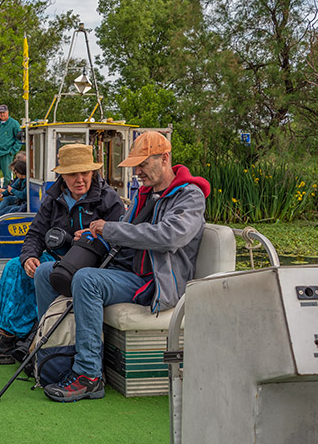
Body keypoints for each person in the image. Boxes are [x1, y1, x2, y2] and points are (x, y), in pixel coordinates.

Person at [33, 131, 210, 402]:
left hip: (155, 281)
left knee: (86, 280)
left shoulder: (190, 196)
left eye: (142, 164)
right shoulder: (145, 193)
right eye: (135, 165)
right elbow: (124, 232)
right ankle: (55, 358)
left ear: (164, 159)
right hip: (126, 270)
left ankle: (89, 376)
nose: (137, 172)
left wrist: (111, 230)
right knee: (47, 273)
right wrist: (94, 235)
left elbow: (169, 236)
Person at [0, 144, 125, 364]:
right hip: (56, 257)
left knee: (44, 271)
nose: (79, 179)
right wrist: (29, 257)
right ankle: (8, 337)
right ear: (63, 176)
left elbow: (120, 241)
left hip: (91, 264)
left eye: (85, 173)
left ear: (93, 173)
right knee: (15, 267)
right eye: (72, 174)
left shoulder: (109, 199)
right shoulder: (53, 197)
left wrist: (94, 237)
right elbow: (35, 233)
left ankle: (30, 339)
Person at [0, 104, 22, 189]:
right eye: (0, 113)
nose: (2, 114)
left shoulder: (14, 123)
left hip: (6, 153)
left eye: (4, 112)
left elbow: (20, 139)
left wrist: (12, 151)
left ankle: (6, 192)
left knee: (7, 175)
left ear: (7, 112)